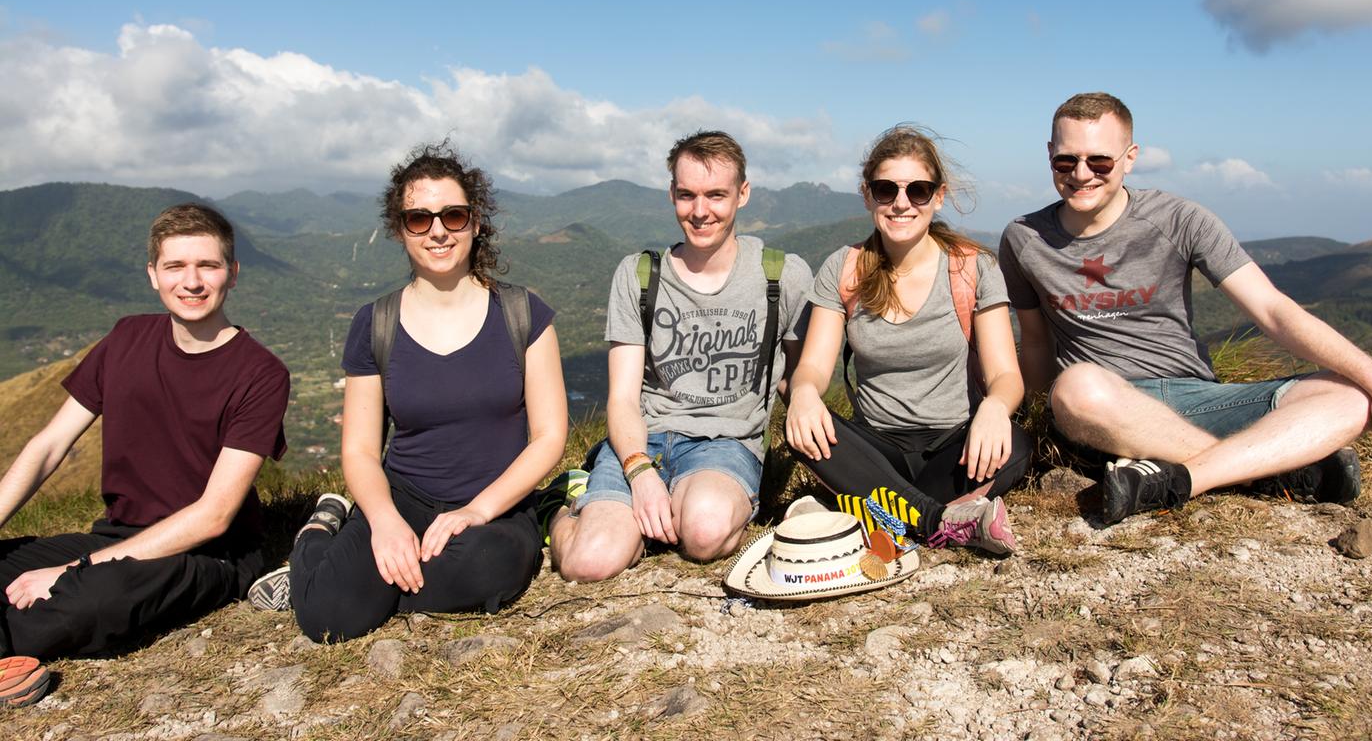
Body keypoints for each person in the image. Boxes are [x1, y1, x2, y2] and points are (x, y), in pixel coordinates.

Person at [999, 92, 1372, 524]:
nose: (1082, 174)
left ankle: (1184, 475)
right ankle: (1266, 471)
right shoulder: (1024, 239)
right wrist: (1039, 423)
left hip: (1197, 394)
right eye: (1066, 162)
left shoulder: (1180, 219)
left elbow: (1273, 310)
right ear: (1050, 155)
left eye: (1100, 162)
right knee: (1077, 388)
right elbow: (1036, 341)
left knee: (1352, 396)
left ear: (1130, 158)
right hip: (1102, 407)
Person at [250, 142, 567, 642]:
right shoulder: (376, 324)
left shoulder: (523, 314)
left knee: (487, 567)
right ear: (400, 230)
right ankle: (317, 537)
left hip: (495, 504)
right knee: (328, 619)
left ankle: (365, 584)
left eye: (453, 215)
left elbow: (549, 436)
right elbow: (358, 449)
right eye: (419, 219)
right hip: (405, 497)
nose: (438, 230)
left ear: (476, 222)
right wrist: (384, 521)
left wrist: (477, 510)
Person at [0, 203, 289, 706]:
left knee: (90, 601)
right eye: (175, 266)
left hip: (206, 553)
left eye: (209, 266)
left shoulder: (260, 374)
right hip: (118, 534)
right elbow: (48, 446)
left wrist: (74, 569)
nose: (192, 282)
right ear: (153, 275)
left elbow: (214, 515)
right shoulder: (125, 339)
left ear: (233, 274)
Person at [545, 130, 812, 581]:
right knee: (587, 563)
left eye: (716, 195)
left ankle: (659, 518)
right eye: (687, 195)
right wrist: (640, 472)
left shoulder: (782, 276)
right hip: (642, 440)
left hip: (727, 444)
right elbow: (624, 398)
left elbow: (803, 379)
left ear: (743, 195)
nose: (700, 210)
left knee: (705, 534)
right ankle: (559, 504)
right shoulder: (640, 275)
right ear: (672, 194)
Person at [785, 126, 1028, 555]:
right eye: (885, 189)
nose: (901, 203)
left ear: (938, 196)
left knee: (1017, 442)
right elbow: (814, 367)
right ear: (867, 196)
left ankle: (869, 511)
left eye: (918, 190)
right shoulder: (845, 269)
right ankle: (940, 520)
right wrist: (803, 393)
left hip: (956, 442)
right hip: (876, 445)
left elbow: (1006, 374)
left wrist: (994, 407)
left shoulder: (972, 268)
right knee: (805, 425)